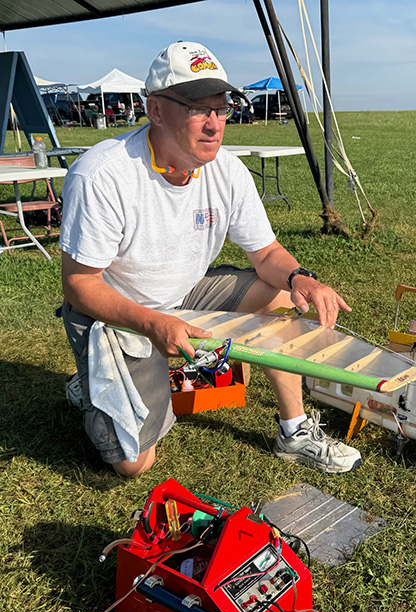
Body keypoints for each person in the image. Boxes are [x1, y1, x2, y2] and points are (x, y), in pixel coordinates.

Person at [59, 41, 361, 478]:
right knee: (133, 465)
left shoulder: (228, 170)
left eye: (222, 110)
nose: (215, 125)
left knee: (278, 297)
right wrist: (151, 323)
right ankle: (93, 383)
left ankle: (293, 432)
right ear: (156, 110)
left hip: (184, 291)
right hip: (119, 312)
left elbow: (266, 254)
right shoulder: (102, 175)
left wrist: (300, 277)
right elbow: (80, 285)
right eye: (199, 109)